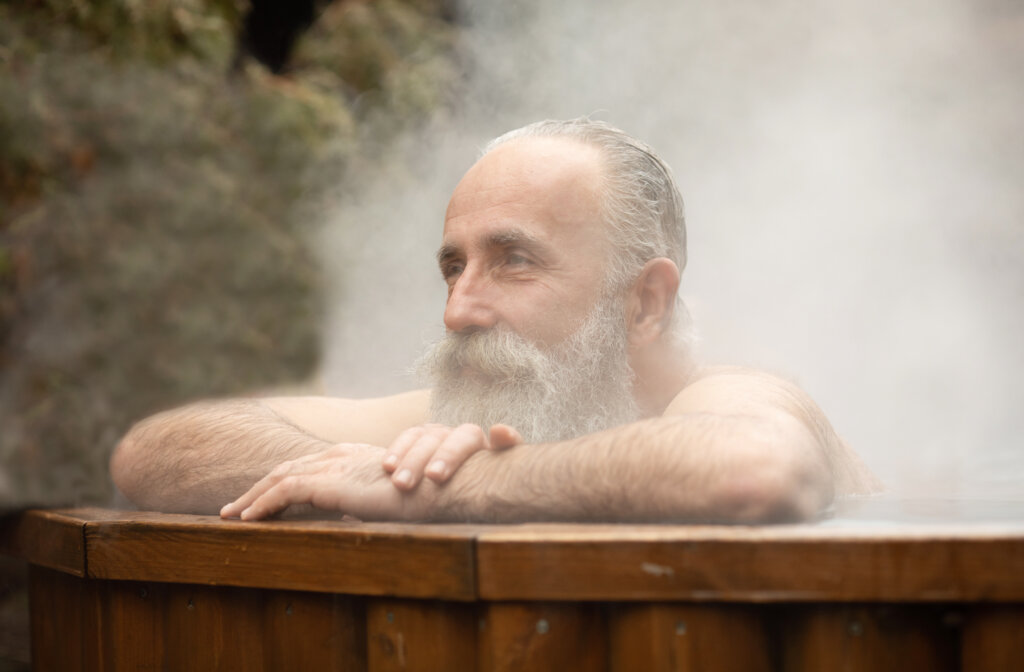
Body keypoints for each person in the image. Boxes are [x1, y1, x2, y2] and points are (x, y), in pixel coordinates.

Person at [110, 118, 878, 524]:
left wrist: (454, 488)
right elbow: (152, 450)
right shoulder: (497, 411)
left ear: (645, 302)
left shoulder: (740, 395)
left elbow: (753, 471)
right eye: (454, 265)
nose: (458, 312)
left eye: (514, 260)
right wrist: (373, 473)